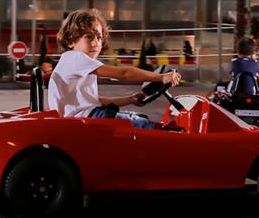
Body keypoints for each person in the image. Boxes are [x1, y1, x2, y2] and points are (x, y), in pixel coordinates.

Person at [47, 9, 181, 129]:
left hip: (85, 118)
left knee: (140, 118)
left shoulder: (72, 61)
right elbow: (124, 73)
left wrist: (130, 99)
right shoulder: (75, 58)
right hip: (85, 120)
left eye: (99, 38)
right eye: (89, 37)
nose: (96, 44)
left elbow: (95, 101)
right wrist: (161, 77)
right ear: (71, 41)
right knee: (145, 126)